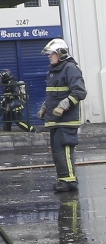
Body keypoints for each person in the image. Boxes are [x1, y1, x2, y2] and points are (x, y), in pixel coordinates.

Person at [39, 38, 85, 192]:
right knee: (58, 151)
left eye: (51, 53)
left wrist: (63, 106)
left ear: (61, 53)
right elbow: (54, 95)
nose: (49, 56)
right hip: (56, 119)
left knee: (64, 149)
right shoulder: (54, 71)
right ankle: (64, 179)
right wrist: (45, 108)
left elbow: (79, 92)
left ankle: (69, 181)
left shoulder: (70, 68)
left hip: (66, 119)